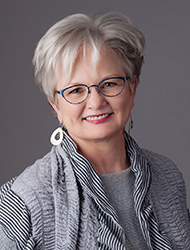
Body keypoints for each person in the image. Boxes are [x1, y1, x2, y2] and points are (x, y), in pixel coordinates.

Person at [0, 12, 190, 250]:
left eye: (109, 83)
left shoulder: (167, 177)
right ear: (55, 104)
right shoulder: (25, 199)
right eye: (76, 90)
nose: (96, 102)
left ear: (132, 88)